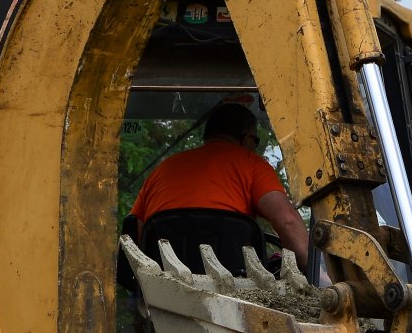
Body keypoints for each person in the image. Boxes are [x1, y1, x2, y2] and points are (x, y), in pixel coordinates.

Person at [129, 102, 309, 272]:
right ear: (247, 139)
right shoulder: (252, 164)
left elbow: (138, 238)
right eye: (256, 142)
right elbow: (287, 220)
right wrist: (313, 270)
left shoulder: (161, 171)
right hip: (235, 296)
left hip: (162, 294)